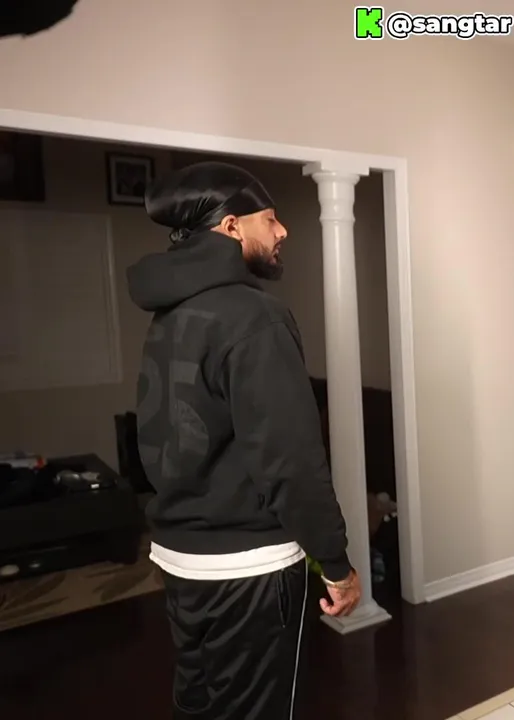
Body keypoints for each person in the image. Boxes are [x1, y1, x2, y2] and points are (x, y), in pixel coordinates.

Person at [128, 161, 361, 720]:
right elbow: (292, 462)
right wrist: (336, 565)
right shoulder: (255, 317)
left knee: (200, 706)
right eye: (270, 219)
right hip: (248, 569)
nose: (282, 231)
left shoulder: (169, 313)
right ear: (231, 227)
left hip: (181, 560)